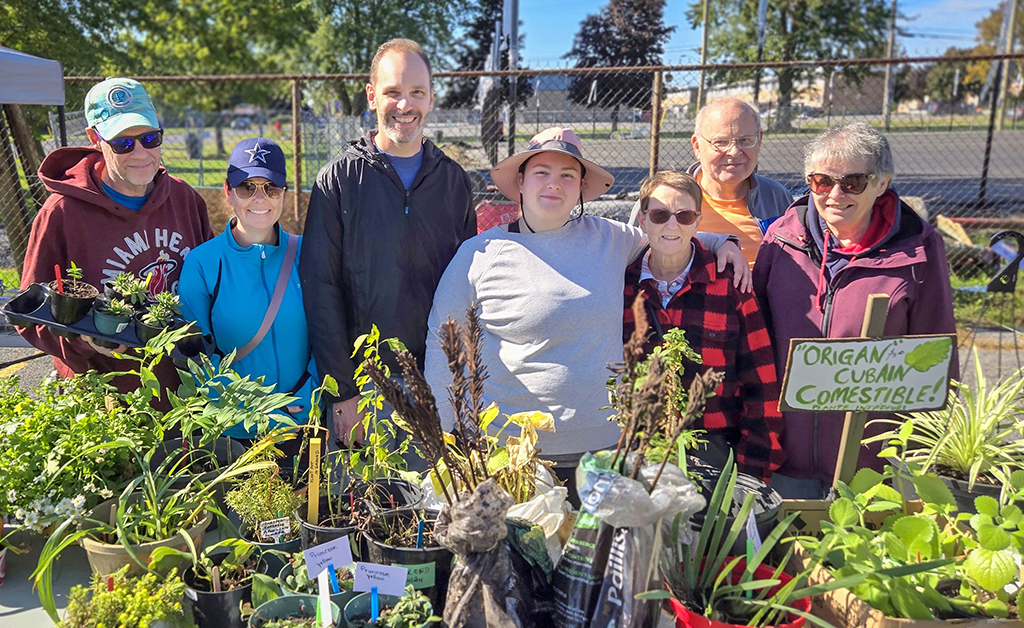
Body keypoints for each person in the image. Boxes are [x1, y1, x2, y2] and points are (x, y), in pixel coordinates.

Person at [424, 127, 749, 494]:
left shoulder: (610, 238)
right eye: (541, 172)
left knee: (590, 551)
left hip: (603, 449)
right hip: (510, 452)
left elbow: (669, 233)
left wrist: (724, 241)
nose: (554, 184)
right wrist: (445, 438)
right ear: (520, 180)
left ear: (581, 186)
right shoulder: (479, 254)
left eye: (567, 175)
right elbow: (442, 342)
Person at [752, 122, 957, 498]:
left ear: (882, 183)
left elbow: (937, 356)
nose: (835, 194)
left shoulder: (920, 248)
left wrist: (920, 453)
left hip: (872, 466)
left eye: (853, 183)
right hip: (784, 457)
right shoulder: (781, 239)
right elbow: (754, 339)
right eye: (821, 181)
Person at [299, 38, 477, 445]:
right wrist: (342, 391)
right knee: (366, 504)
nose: (405, 105)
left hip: (437, 380)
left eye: (416, 92)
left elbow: (468, 288)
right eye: (393, 92)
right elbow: (320, 292)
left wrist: (460, 378)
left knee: (439, 503)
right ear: (371, 96)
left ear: (431, 98)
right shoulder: (338, 182)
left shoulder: (454, 183)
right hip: (365, 389)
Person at [19, 77, 212, 394]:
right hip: (105, 402)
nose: (140, 153)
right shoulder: (62, 213)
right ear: (95, 138)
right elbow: (30, 314)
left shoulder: (184, 200)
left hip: (184, 397)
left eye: (150, 138)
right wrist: (83, 342)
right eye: (123, 143)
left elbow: (213, 285)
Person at [622, 171, 784, 482]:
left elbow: (760, 381)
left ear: (698, 222)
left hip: (713, 447)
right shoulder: (621, 284)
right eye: (659, 215)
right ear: (642, 221)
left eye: (684, 216)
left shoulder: (729, 284)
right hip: (640, 448)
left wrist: (753, 470)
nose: (672, 226)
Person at [179, 137, 317, 441]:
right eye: (246, 187)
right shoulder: (203, 264)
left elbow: (328, 333)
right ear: (228, 193)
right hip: (236, 429)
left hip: (303, 420)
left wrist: (308, 397)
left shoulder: (308, 255)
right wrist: (254, 410)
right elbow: (195, 354)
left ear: (283, 194)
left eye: (271, 188)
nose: (259, 198)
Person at [628, 98, 792, 267]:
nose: (734, 152)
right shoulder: (659, 202)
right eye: (720, 142)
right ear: (697, 146)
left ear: (759, 141)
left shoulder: (776, 198)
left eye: (745, 140)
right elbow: (632, 264)